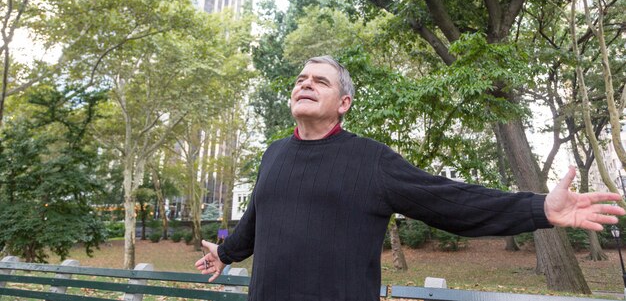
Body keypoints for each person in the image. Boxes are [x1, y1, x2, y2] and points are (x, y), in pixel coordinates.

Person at [195, 55, 625, 301]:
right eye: (301, 79)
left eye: (319, 81)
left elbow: (450, 201)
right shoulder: (273, 154)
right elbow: (256, 221)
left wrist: (540, 208)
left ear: (343, 102)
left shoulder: (371, 161)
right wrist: (226, 253)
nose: (305, 84)